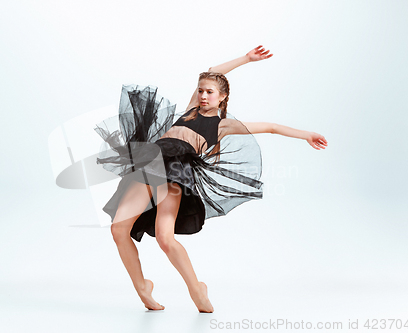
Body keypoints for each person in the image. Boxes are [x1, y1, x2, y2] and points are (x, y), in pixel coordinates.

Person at [94, 46, 328, 313]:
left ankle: (197, 289)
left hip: (175, 172)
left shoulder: (223, 125)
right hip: (150, 161)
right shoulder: (192, 109)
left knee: (165, 239)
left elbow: (271, 128)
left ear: (223, 97)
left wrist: (306, 134)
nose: (204, 96)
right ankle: (142, 287)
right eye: (201, 91)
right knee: (118, 229)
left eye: (210, 92)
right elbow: (213, 71)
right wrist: (246, 59)